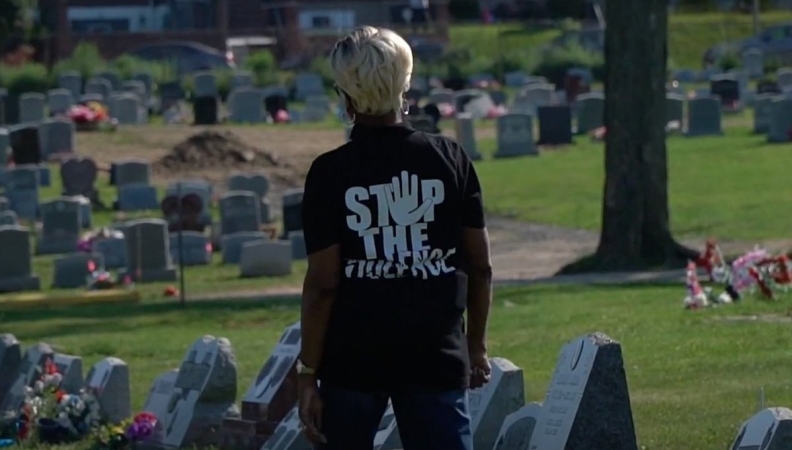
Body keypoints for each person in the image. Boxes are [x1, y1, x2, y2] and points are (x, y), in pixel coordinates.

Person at [297, 26, 493, 450]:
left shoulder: (330, 173)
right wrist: (475, 345)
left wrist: (307, 372)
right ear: (405, 85)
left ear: (346, 96)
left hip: (353, 359)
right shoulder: (449, 159)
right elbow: (479, 264)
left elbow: (324, 283)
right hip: (434, 353)